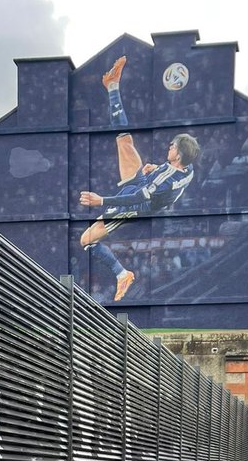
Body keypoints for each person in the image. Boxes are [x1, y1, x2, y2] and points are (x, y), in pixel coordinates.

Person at [79, 56, 200, 302]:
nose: (169, 147)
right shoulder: (187, 168)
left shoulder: (165, 178)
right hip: (145, 185)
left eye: (172, 147)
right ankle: (112, 86)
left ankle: (122, 274)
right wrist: (155, 168)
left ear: (179, 156)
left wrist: (101, 200)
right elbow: (170, 177)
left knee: (86, 240)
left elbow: (138, 198)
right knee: (123, 139)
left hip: (136, 205)